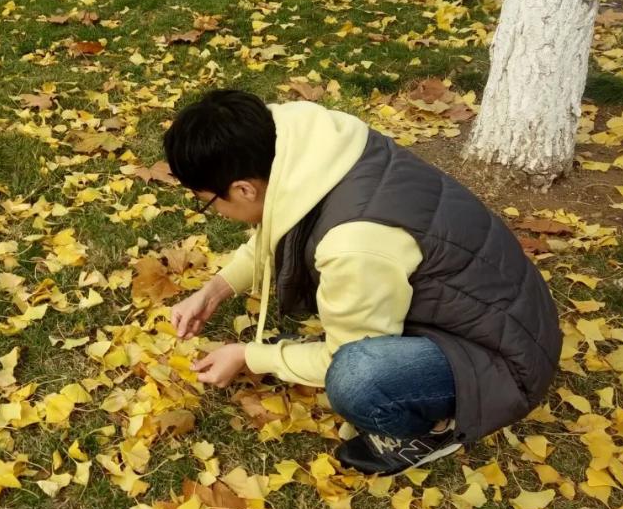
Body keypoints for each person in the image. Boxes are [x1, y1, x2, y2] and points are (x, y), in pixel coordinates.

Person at [164, 89, 561, 475]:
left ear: (244, 189)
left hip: (502, 360)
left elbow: (341, 356)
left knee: (357, 378)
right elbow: (275, 228)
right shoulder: (310, 147)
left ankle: (431, 430)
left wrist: (249, 356)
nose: (214, 213)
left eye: (209, 202)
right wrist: (213, 290)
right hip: (502, 309)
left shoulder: (352, 245)